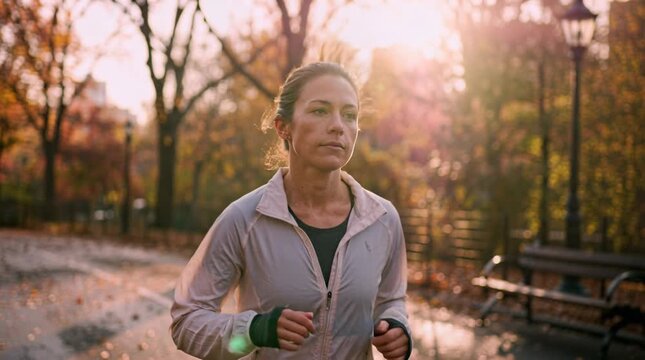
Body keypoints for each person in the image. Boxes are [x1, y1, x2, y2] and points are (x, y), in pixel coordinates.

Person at [171, 62, 411, 360]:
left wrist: (397, 327)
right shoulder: (244, 219)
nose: (338, 125)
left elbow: (391, 299)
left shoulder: (383, 219)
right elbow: (186, 321)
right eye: (320, 110)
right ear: (283, 126)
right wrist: (254, 330)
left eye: (350, 115)